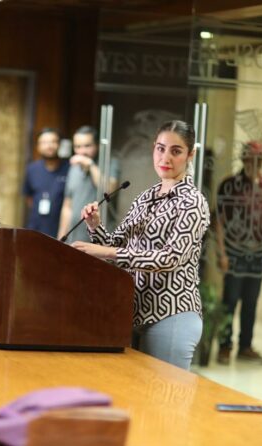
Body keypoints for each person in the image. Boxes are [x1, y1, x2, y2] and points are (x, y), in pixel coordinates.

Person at [72, 120, 209, 370]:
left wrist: (107, 251)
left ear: (191, 154)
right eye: (160, 148)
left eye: (176, 151)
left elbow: (169, 258)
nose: (165, 157)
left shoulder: (192, 202)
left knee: (165, 394)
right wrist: (95, 226)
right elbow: (115, 245)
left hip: (171, 314)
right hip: (133, 312)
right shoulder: (146, 197)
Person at [215, 141, 262, 365]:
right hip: (235, 252)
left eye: (260, 159)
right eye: (252, 158)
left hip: (258, 253)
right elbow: (219, 222)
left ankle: (245, 346)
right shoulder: (230, 185)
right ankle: (224, 347)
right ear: (244, 159)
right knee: (230, 301)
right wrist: (222, 253)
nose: (256, 163)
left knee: (251, 302)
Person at [58, 125, 120, 243]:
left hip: (100, 240)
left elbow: (109, 189)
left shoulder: (110, 162)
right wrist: (61, 236)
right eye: (78, 147)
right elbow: (67, 206)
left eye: (87, 146)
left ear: (97, 145)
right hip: (74, 238)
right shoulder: (74, 168)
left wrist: (90, 164)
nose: (82, 151)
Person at [22, 128, 69, 237]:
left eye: (53, 141)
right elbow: (29, 198)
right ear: (38, 146)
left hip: (61, 230)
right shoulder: (32, 169)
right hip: (35, 228)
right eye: (44, 142)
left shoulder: (69, 169)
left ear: (59, 144)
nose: (49, 146)